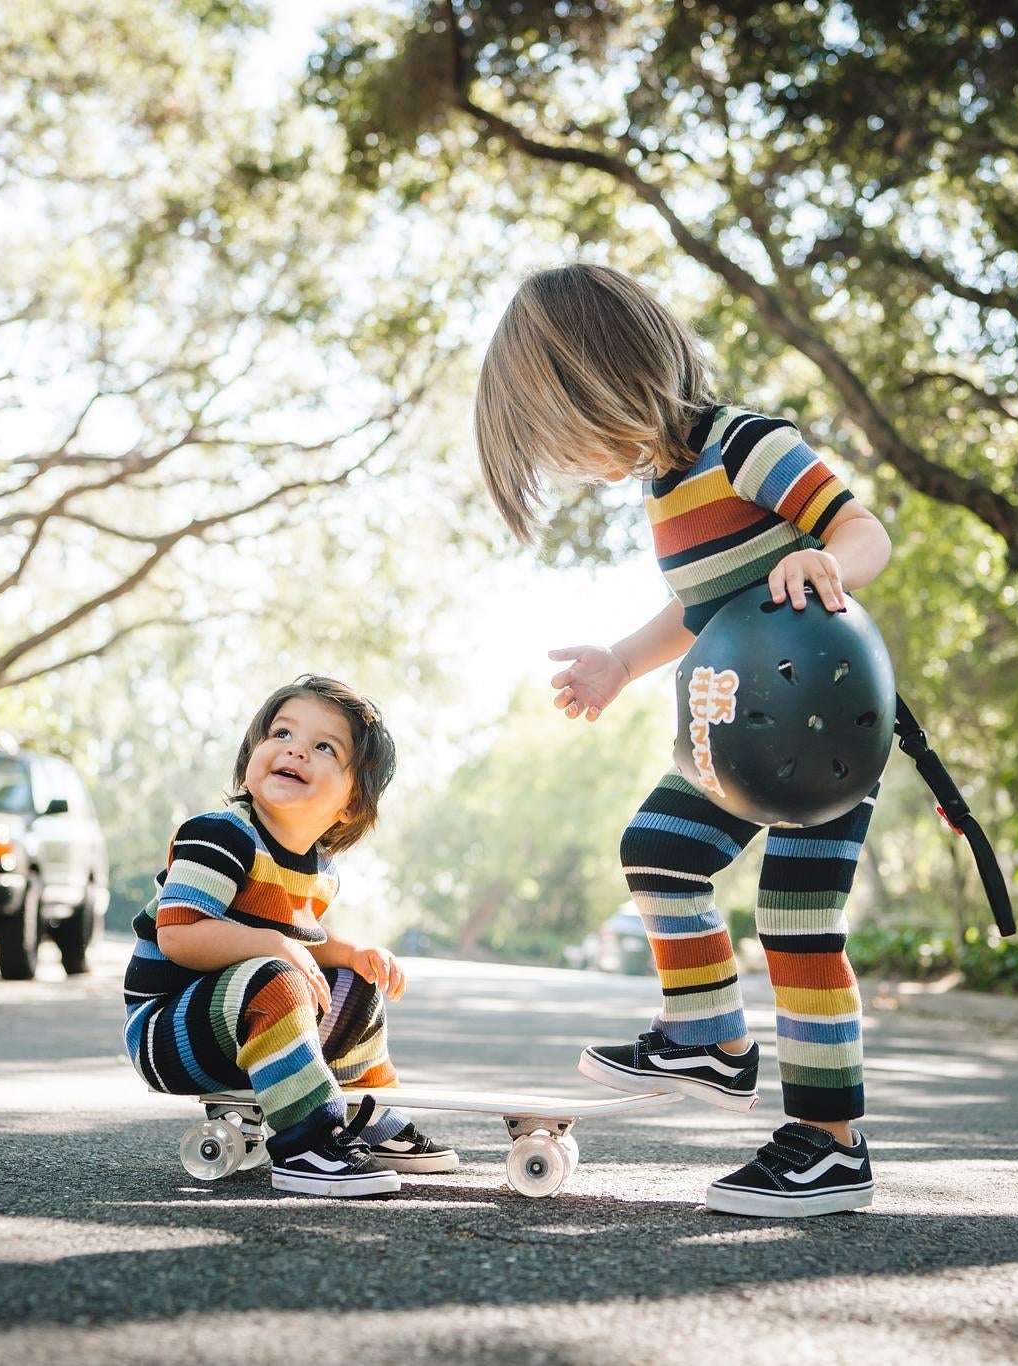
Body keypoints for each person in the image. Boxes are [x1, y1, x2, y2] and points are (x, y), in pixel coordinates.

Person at [473, 263, 894, 1218]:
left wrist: (832, 559)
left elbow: (862, 528)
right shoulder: (667, 487)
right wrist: (623, 662)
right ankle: (710, 1036)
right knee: (658, 849)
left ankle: (831, 1144)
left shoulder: (746, 444)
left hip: (821, 726)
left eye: (557, 433)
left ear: (600, 381)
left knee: (796, 925)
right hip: (732, 733)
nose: (567, 461)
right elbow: (697, 608)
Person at [123, 676, 456, 1197]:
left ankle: (366, 1117)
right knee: (274, 977)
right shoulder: (218, 834)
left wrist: (351, 953)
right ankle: (306, 1141)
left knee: (353, 981)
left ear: (350, 805)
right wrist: (274, 946)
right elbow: (180, 936)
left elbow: (297, 936)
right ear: (252, 756)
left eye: (325, 747)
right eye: (281, 733)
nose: (296, 749)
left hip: (240, 1020)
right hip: (168, 1031)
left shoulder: (321, 870)